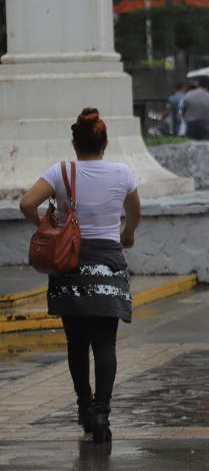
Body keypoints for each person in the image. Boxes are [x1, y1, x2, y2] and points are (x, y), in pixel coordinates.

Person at [19, 108, 141, 444]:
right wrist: (127, 233)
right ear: (106, 143)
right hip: (108, 264)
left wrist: (50, 229)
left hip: (69, 263)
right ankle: (102, 413)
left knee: (76, 342)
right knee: (105, 342)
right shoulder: (122, 173)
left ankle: (84, 407)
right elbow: (134, 213)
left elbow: (27, 203)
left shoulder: (61, 172)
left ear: (75, 142)